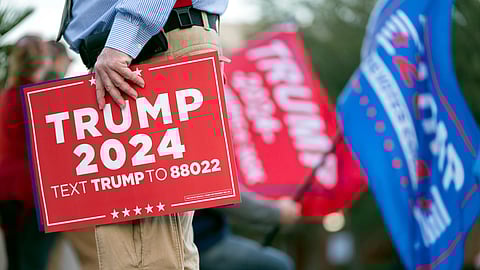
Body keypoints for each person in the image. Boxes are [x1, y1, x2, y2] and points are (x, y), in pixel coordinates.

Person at [57, 1, 229, 269]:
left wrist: (122, 42)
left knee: (149, 252)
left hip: (141, 47)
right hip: (132, 51)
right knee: (141, 247)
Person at [0, 35, 71, 270]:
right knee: (34, 260)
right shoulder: (38, 98)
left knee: (16, 259)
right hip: (35, 193)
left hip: (7, 189)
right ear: (44, 61)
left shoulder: (7, 95)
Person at [194, 190, 299, 270]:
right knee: (281, 265)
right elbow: (227, 195)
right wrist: (278, 212)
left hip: (204, 239)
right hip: (203, 245)